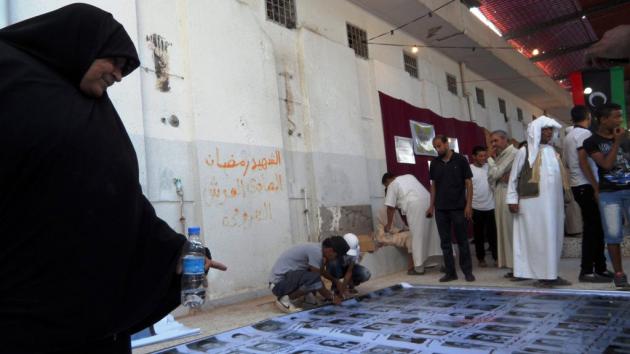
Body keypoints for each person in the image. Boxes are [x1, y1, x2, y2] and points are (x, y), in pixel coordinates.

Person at [0, 5, 226, 353]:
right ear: (82, 44)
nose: (119, 76)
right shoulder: (10, 74)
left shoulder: (93, 108)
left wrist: (173, 251)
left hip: (94, 312)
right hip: (25, 309)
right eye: (115, 62)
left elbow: (121, 198)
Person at [507, 116, 572, 288]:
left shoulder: (554, 152)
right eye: (545, 129)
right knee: (537, 238)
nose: (549, 132)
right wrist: (512, 199)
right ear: (536, 131)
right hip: (533, 205)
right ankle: (544, 275)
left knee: (554, 236)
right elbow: (513, 178)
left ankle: (552, 274)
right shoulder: (524, 151)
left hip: (554, 205)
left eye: (551, 129)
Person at [562, 105, 612, 283]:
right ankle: (587, 271)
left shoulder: (568, 136)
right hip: (586, 184)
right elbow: (584, 162)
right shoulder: (583, 135)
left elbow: (568, 163)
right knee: (592, 230)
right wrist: (596, 187)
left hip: (579, 184)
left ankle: (600, 268)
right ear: (588, 117)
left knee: (596, 229)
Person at [583, 103, 630, 289]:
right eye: (616, 116)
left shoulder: (627, 139)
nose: (620, 120)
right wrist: (617, 142)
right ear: (603, 119)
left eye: (621, 116)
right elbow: (606, 165)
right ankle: (619, 274)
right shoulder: (591, 142)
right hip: (609, 194)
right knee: (612, 235)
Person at [427, 135, 475, 282]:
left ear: (447, 143)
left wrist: (468, 205)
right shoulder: (434, 163)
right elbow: (433, 186)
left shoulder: (460, 160)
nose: (437, 149)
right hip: (441, 209)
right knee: (445, 242)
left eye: (439, 145)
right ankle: (450, 273)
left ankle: (467, 271)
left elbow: (468, 183)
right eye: (435, 147)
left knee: (462, 241)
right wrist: (431, 206)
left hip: (459, 207)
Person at [382, 173, 442, 275]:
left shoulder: (392, 184)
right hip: (428, 200)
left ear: (388, 181)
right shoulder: (409, 176)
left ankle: (419, 268)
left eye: (386, 185)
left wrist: (388, 225)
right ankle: (441, 262)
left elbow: (390, 208)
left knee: (417, 236)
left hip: (414, 205)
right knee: (433, 233)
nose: (387, 188)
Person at [269, 236, 347, 313]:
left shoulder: (320, 249)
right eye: (336, 256)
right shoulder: (316, 252)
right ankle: (284, 300)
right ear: (330, 250)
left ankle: (306, 298)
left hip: (286, 281)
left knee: (312, 277)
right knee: (314, 280)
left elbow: (322, 271)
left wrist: (336, 281)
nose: (335, 259)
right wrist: (332, 297)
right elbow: (317, 279)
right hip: (278, 285)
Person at [487, 130, 518, 277]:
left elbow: (495, 174)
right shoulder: (500, 156)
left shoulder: (513, 153)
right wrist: (497, 174)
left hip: (508, 195)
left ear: (505, 140)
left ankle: (519, 268)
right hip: (499, 195)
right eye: (491, 141)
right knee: (504, 231)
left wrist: (490, 161)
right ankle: (513, 268)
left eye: (496, 141)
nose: (493, 144)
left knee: (512, 232)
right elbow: (491, 178)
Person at [470, 145, 498, 267]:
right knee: (479, 235)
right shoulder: (469, 169)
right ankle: (481, 258)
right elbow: (467, 189)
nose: (483, 158)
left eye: (484, 156)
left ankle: (497, 257)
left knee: (493, 235)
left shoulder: (489, 166)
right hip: (476, 207)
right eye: (480, 156)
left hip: (491, 206)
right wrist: (468, 206)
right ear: (474, 157)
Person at [374, 206, 415, 273]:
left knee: (413, 234)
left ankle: (418, 263)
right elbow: (387, 228)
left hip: (397, 233)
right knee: (410, 237)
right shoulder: (383, 210)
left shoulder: (397, 209)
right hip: (386, 237)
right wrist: (400, 231)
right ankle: (411, 267)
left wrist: (409, 229)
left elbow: (403, 226)